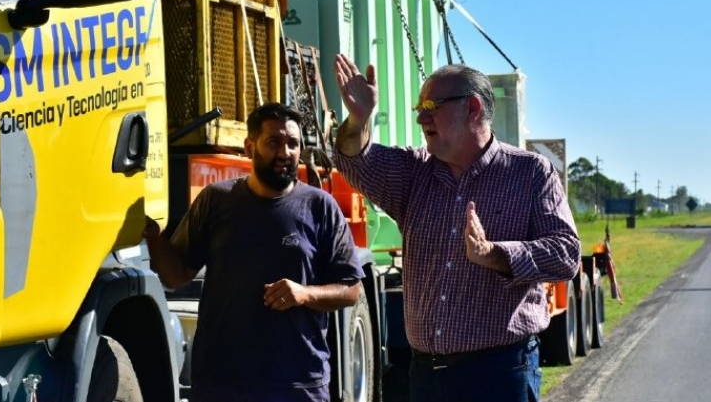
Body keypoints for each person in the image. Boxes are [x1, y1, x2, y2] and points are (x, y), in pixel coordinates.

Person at [331, 54, 581, 402]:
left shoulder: (530, 173)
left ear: (473, 107)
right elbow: (351, 157)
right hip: (426, 377)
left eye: (431, 106)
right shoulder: (414, 173)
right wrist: (358, 119)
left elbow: (566, 254)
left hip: (499, 374)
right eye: (419, 107)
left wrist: (495, 254)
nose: (421, 117)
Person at [144, 102, 365, 402]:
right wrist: (155, 237)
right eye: (274, 141)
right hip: (222, 385)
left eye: (293, 143)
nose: (285, 152)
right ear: (250, 147)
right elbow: (177, 275)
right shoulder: (216, 201)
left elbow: (351, 290)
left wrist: (304, 294)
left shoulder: (320, 207)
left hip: (298, 385)